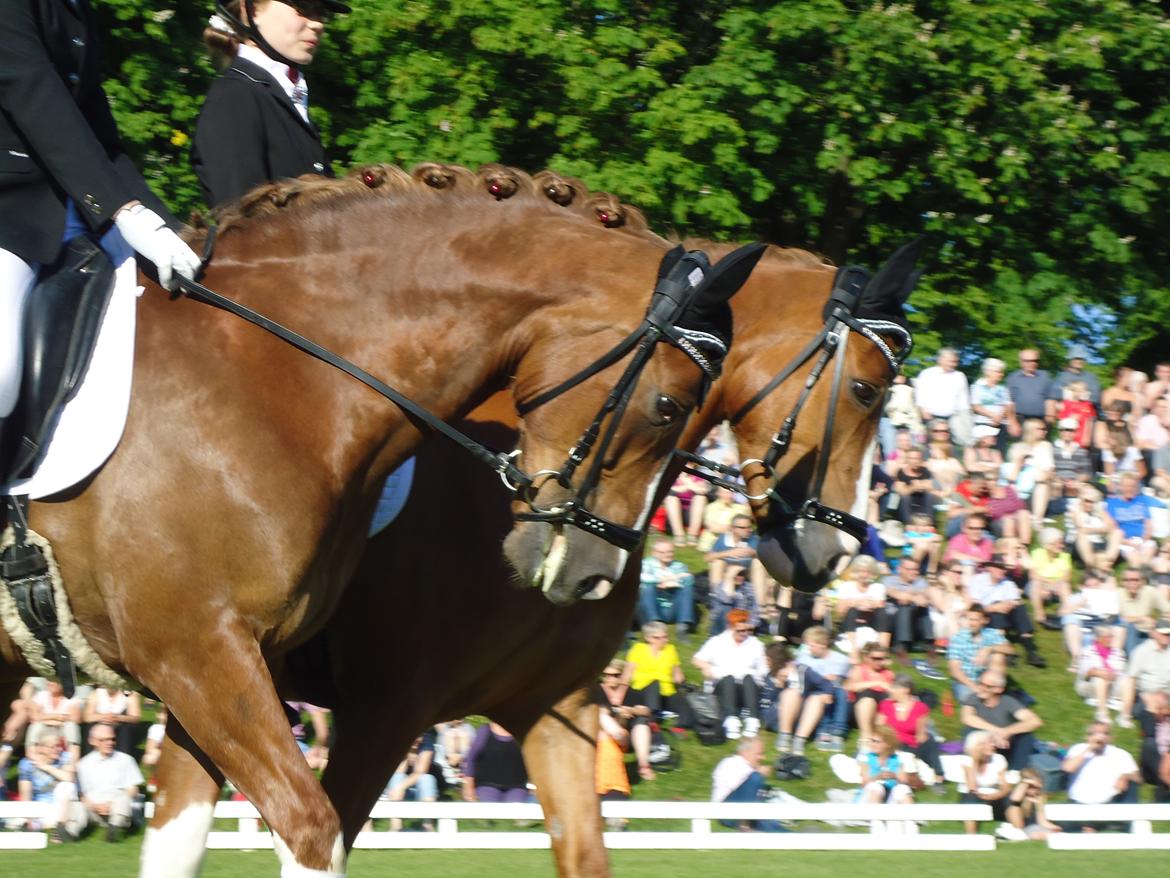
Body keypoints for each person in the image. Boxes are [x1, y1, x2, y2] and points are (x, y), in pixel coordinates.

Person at [1, 0, 201, 487]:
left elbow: (101, 140)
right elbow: (37, 100)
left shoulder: (76, 12)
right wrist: (124, 211)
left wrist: (169, 228)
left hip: (74, 225)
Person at [193, 0, 351, 209]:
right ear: (251, 10)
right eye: (303, 9)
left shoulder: (282, 93)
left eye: (320, 13)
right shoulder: (235, 97)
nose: (318, 24)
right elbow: (242, 224)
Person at [692, 609, 768, 740]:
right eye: (740, 631)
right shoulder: (716, 642)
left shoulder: (756, 644)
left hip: (747, 688)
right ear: (730, 627)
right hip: (723, 686)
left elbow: (764, 669)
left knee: (748, 678)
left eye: (747, 630)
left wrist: (760, 675)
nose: (744, 634)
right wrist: (706, 667)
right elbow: (697, 659)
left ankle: (752, 720)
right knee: (729, 679)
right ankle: (731, 719)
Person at [65, 722, 144, 842]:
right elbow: (81, 795)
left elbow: (133, 789)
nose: (109, 743)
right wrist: (95, 806)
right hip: (94, 809)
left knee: (123, 800)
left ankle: (114, 830)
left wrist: (111, 805)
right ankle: (71, 833)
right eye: (104, 740)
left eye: (112, 739)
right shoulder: (83, 764)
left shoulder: (126, 760)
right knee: (77, 806)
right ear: (93, 741)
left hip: (118, 809)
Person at [960, 670, 1042, 770]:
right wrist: (997, 731)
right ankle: (974, 767)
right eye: (980, 683)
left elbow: (1035, 721)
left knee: (1026, 737)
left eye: (988, 686)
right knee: (969, 731)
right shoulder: (974, 698)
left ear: (999, 689)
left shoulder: (1008, 702)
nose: (982, 688)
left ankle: (1015, 772)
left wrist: (1007, 732)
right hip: (983, 742)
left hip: (1004, 745)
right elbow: (967, 718)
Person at [766, 642, 834, 757]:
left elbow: (826, 684)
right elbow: (768, 702)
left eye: (767, 659)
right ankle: (784, 736)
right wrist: (779, 686)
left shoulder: (802, 670)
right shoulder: (771, 675)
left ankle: (799, 740)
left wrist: (828, 694)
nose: (766, 662)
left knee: (816, 699)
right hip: (777, 719)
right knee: (791, 693)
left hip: (800, 720)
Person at [877, 673, 944, 782]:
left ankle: (939, 774)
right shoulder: (886, 705)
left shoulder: (920, 708)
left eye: (894, 687)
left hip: (910, 746)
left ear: (906, 690)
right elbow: (879, 728)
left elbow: (921, 736)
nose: (890, 690)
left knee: (929, 739)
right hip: (891, 743)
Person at [710, 736, 785, 833]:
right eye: (759, 754)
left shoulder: (746, 767)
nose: (762, 757)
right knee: (756, 778)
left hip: (740, 810)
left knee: (770, 825)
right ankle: (744, 826)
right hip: (727, 812)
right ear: (745, 752)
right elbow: (740, 790)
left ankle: (798, 837)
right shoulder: (731, 763)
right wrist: (758, 773)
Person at [795, 626, 851, 752]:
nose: (809, 649)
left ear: (823, 644)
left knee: (840, 690)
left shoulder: (841, 660)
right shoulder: (805, 658)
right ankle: (824, 730)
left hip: (836, 694)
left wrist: (837, 679)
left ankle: (837, 731)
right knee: (823, 694)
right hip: (813, 693)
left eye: (812, 645)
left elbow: (849, 680)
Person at [625, 622, 691, 728]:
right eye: (659, 638)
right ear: (648, 638)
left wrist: (683, 684)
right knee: (654, 683)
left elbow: (678, 675)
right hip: (642, 690)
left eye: (666, 637)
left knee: (685, 708)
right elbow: (627, 675)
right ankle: (652, 719)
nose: (665, 640)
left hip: (665, 691)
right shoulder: (638, 649)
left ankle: (680, 727)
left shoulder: (670, 649)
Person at [1062, 721, 1140, 810]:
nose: (1100, 737)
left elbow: (1137, 778)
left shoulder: (1121, 754)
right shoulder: (1078, 749)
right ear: (1087, 737)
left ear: (1111, 738)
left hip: (1108, 804)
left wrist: (1125, 776)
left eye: (1105, 734)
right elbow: (1067, 768)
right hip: (1078, 803)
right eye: (1094, 734)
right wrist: (1089, 749)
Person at [705, 514, 769, 622]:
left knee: (758, 562)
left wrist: (753, 553)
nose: (748, 530)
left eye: (749, 527)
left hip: (746, 572)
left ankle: (760, 605)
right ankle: (716, 600)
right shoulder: (723, 539)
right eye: (743, 528)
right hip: (727, 572)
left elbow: (767, 558)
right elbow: (707, 557)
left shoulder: (753, 539)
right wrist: (727, 553)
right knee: (717, 563)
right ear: (733, 528)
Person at [880, 557, 939, 674]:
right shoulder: (889, 580)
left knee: (923, 606)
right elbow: (894, 593)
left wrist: (910, 596)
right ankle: (901, 647)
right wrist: (912, 596)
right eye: (909, 569)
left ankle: (930, 645)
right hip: (893, 625)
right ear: (899, 569)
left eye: (916, 570)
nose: (914, 572)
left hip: (913, 625)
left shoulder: (921, 581)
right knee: (904, 606)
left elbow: (925, 594)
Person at [599, 659, 655, 781]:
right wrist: (617, 712)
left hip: (628, 737)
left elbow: (646, 711)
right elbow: (599, 712)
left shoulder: (630, 692)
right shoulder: (597, 691)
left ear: (622, 676)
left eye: (615, 675)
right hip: (606, 736)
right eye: (606, 675)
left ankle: (643, 765)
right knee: (601, 716)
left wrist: (630, 710)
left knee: (641, 722)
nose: (610, 678)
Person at [947, 604, 1014, 703]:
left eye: (976, 620)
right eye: (970, 619)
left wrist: (989, 649)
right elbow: (955, 670)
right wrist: (973, 686)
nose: (972, 623)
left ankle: (993, 689)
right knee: (968, 697)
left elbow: (1010, 650)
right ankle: (992, 696)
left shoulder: (992, 633)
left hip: (987, 680)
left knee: (998, 655)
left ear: (985, 621)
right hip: (966, 681)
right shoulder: (958, 638)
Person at [17, 729, 77, 839]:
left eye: (59, 746)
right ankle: (34, 825)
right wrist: (28, 817)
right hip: (40, 806)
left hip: (62, 807)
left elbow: (69, 778)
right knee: (20, 817)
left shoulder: (65, 757)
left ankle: (59, 827)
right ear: (41, 748)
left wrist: (45, 767)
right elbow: (25, 795)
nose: (58, 749)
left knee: (66, 786)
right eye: (53, 746)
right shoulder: (27, 764)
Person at [383, 730, 442, 831]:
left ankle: (427, 826)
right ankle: (396, 827)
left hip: (424, 791)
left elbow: (420, 772)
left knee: (427, 778)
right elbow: (398, 772)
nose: (417, 741)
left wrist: (400, 787)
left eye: (419, 737)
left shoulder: (427, 743)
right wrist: (408, 752)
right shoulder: (399, 743)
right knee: (396, 777)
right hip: (402, 792)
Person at [637, 539, 696, 638]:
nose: (668, 555)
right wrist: (664, 580)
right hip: (653, 606)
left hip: (672, 607)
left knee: (687, 589)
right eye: (663, 552)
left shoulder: (679, 566)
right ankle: (655, 623)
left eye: (670, 551)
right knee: (647, 589)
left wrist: (674, 582)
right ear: (654, 553)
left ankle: (683, 626)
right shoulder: (646, 564)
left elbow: (689, 579)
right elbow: (642, 578)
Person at [1118, 619, 1170, 730]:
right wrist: (1125, 713)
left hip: (1167, 695)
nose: (1166, 636)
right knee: (1154, 706)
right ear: (1154, 633)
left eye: (1168, 634)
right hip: (1147, 696)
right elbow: (1130, 680)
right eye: (1163, 633)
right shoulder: (1142, 651)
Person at [913, 348, 971, 445]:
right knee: (928, 444)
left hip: (952, 418)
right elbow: (920, 394)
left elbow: (963, 400)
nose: (953, 364)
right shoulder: (927, 374)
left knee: (950, 445)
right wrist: (923, 409)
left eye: (955, 362)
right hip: (930, 416)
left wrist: (964, 418)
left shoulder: (959, 376)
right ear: (941, 360)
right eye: (950, 361)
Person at [959, 730, 1012, 835]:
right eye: (988, 742)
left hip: (994, 796)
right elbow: (972, 786)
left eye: (992, 742)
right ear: (976, 746)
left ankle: (1017, 831)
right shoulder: (967, 761)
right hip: (973, 795)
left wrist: (996, 795)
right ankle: (971, 835)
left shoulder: (999, 759)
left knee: (1011, 797)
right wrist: (975, 760)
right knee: (971, 797)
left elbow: (1006, 787)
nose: (993, 745)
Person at [462, 722, 529, 804]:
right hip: (487, 785)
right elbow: (470, 758)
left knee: (517, 812)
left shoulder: (524, 731)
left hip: (517, 786)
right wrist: (468, 785)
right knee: (492, 811)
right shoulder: (485, 731)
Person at [1076, 624, 1127, 725]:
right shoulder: (1088, 651)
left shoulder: (1118, 652)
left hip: (1112, 684)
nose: (1111, 639)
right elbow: (1085, 673)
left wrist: (1111, 674)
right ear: (1099, 638)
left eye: (1111, 636)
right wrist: (1097, 672)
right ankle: (1102, 712)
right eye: (1108, 636)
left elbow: (1120, 670)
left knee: (1127, 680)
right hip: (1089, 685)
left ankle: (1125, 715)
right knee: (1100, 678)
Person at [844, 641, 894, 743]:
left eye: (882, 659)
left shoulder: (888, 674)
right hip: (858, 712)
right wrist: (877, 683)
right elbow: (849, 687)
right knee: (868, 700)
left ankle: (879, 735)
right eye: (875, 658)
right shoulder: (859, 670)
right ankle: (865, 737)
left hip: (879, 717)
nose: (879, 662)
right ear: (866, 657)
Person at [1106, 473, 1159, 567]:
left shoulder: (1141, 501)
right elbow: (1112, 529)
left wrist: (1143, 541)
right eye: (1127, 486)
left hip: (1143, 540)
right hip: (1124, 541)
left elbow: (1149, 525)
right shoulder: (1112, 503)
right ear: (1120, 487)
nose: (1130, 489)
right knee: (1135, 560)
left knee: (1147, 554)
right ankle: (1141, 577)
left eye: (1133, 486)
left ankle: (1146, 577)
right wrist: (1128, 543)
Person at [1027, 528, 1073, 632]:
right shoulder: (1037, 553)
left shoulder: (1065, 556)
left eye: (1061, 543)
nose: (1061, 545)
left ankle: (1065, 612)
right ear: (1048, 545)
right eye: (1057, 543)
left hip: (1057, 586)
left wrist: (1055, 583)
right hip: (1041, 585)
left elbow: (1067, 576)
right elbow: (1033, 575)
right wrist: (1047, 582)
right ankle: (1039, 613)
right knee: (1036, 583)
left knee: (1065, 585)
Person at [858, 726, 917, 805]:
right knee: (876, 787)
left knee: (902, 788)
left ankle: (911, 816)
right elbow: (864, 783)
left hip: (889, 797)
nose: (872, 744)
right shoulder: (866, 759)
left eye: (876, 741)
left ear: (887, 744)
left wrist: (894, 776)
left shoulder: (897, 760)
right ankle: (872, 816)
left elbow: (905, 782)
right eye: (871, 741)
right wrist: (878, 777)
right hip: (869, 797)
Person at [1003, 767, 1062, 841]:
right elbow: (1015, 800)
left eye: (1037, 788)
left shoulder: (1039, 798)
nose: (1034, 790)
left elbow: (1042, 821)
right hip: (1017, 827)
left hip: (1033, 828)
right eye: (1031, 787)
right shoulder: (1015, 797)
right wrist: (1026, 783)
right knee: (1014, 807)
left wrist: (1054, 828)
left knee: (1042, 833)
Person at [1005, 349, 1054, 436]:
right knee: (1021, 448)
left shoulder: (1045, 376)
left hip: (1041, 421)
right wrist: (1012, 423)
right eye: (1028, 361)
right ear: (1021, 362)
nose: (1032, 363)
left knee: (1041, 448)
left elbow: (1049, 399)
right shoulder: (1013, 378)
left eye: (1035, 360)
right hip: (1021, 421)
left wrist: (1049, 420)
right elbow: (1009, 403)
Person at [81, 687, 141, 757]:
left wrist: (118, 718)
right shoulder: (96, 694)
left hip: (119, 726)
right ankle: (92, 757)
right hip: (99, 725)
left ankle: (122, 757)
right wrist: (103, 717)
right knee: (93, 729)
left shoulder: (129, 694)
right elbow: (87, 717)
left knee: (125, 729)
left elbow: (135, 718)